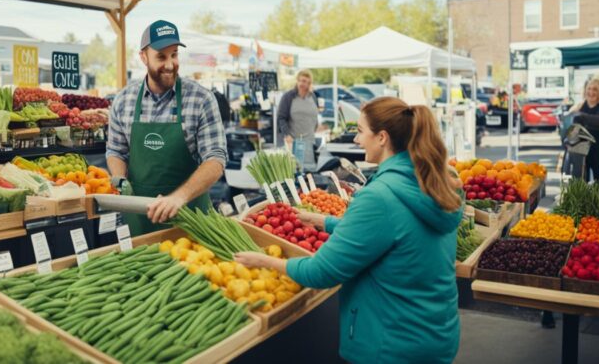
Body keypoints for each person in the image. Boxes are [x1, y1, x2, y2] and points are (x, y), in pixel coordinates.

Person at [235, 96, 463, 364]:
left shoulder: (380, 196)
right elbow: (396, 231)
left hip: (393, 345)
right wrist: (326, 222)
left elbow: (321, 272)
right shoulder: (431, 182)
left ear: (382, 138)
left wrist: (263, 260)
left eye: (360, 131)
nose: (356, 140)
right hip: (434, 333)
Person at [106, 20, 227, 236]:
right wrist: (121, 181)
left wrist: (179, 197)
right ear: (143, 57)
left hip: (192, 220)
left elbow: (216, 158)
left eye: (174, 55)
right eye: (161, 57)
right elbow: (116, 151)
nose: (170, 64)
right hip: (141, 220)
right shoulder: (123, 101)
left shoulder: (201, 99)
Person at [277, 70, 319, 171]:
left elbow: (314, 116)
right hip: (293, 142)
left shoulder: (313, 97)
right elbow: (281, 118)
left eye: (306, 82)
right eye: (301, 81)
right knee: (294, 172)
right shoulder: (288, 97)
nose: (303, 84)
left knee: (309, 172)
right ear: (297, 81)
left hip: (309, 141)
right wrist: (287, 134)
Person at [570, 78, 599, 180]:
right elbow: (571, 128)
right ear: (585, 91)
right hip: (581, 150)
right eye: (589, 89)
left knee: (598, 179)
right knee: (581, 180)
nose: (591, 92)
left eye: (595, 89)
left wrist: (582, 116)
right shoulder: (579, 106)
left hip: (598, 149)